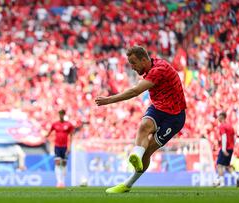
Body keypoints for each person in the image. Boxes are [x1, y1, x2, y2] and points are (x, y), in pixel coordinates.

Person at [95, 46, 186, 193]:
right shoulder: (152, 67)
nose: (132, 68)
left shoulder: (159, 70)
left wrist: (108, 100)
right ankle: (136, 156)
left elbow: (135, 91)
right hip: (158, 108)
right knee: (144, 126)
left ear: (144, 60)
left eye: (133, 63)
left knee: (148, 150)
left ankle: (128, 184)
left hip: (174, 117)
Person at [46, 109, 74, 188]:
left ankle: (63, 181)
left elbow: (71, 136)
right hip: (57, 146)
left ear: (64, 115)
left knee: (64, 163)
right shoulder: (55, 124)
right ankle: (59, 182)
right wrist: (45, 136)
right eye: (60, 114)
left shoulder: (69, 125)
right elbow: (49, 133)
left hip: (65, 146)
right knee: (58, 162)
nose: (61, 115)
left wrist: (69, 147)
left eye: (62, 114)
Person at [214, 112, 239, 187]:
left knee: (219, 165)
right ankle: (237, 177)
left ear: (222, 117)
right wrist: (232, 147)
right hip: (231, 148)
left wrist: (223, 149)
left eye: (218, 116)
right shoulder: (230, 126)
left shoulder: (222, 126)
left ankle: (222, 183)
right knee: (227, 166)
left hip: (225, 148)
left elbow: (224, 137)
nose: (218, 118)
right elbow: (234, 138)